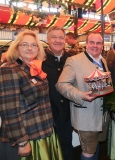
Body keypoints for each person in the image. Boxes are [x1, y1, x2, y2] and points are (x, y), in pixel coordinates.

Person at [0, 30, 63, 160]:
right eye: (24, 44)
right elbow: (9, 110)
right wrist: (22, 141)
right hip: (25, 137)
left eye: (34, 45)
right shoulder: (9, 69)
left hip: (42, 132)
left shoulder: (34, 67)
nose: (30, 48)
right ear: (16, 47)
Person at [56, 32, 110, 160]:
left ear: (102, 45)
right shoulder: (74, 60)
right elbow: (61, 84)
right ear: (86, 44)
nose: (95, 46)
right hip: (85, 114)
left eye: (98, 43)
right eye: (92, 42)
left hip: (101, 114)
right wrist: (81, 95)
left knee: (95, 146)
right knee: (88, 150)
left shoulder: (103, 60)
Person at [42, 26, 73, 160]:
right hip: (46, 114)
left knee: (66, 146)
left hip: (67, 113)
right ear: (48, 39)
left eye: (61, 37)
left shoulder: (72, 60)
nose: (57, 40)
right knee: (47, 149)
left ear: (65, 40)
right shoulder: (39, 60)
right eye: (54, 37)